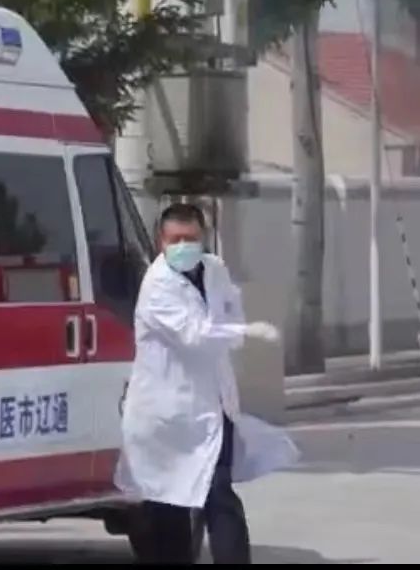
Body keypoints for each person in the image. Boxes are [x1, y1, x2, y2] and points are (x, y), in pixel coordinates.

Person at [114, 203, 299, 565]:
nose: (183, 246)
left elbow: (229, 308)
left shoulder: (214, 269)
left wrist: (237, 327)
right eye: (175, 239)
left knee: (218, 494)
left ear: (204, 238)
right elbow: (195, 335)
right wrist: (245, 330)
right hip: (167, 416)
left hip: (214, 407)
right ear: (160, 241)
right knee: (169, 504)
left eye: (191, 238)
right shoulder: (157, 286)